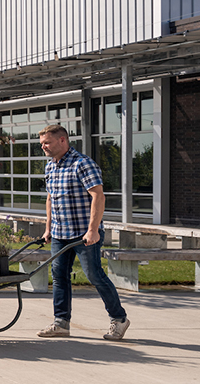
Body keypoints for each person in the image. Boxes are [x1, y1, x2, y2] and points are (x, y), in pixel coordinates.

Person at [37, 123, 130, 341]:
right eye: (42, 144)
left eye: (47, 143)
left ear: (62, 140)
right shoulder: (51, 167)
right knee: (59, 276)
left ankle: (119, 319)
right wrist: (48, 228)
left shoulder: (82, 164)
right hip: (60, 233)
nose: (44, 147)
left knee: (94, 275)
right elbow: (51, 198)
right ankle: (61, 323)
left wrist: (93, 230)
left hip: (84, 233)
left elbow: (98, 196)